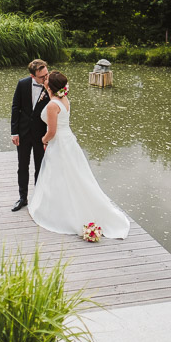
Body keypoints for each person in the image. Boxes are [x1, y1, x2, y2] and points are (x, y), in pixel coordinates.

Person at [28, 72, 130, 239]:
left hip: (58, 143)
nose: (44, 81)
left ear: (50, 86)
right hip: (68, 140)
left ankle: (59, 212)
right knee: (72, 175)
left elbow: (52, 131)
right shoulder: (64, 99)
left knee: (57, 175)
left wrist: (43, 140)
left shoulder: (53, 105)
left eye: (46, 80)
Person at [10, 59, 50, 211]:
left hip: (42, 135)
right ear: (32, 76)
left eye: (46, 74)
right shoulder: (23, 84)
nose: (46, 78)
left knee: (41, 167)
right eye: (42, 77)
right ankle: (22, 198)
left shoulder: (51, 86)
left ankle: (38, 198)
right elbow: (16, 107)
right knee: (22, 166)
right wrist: (14, 132)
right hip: (23, 133)